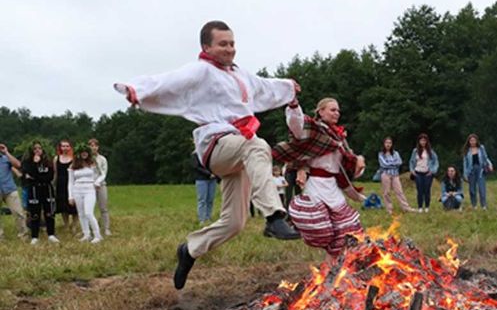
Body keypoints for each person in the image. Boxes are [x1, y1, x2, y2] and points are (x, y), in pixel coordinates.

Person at [114, 20, 300, 290]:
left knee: (234, 223)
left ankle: (189, 250)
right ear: (206, 47)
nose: (229, 49)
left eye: (232, 43)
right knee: (258, 145)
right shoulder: (201, 71)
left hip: (239, 149)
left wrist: (288, 88)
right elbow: (170, 80)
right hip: (217, 144)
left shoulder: (240, 74)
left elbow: (265, 88)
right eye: (222, 44)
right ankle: (273, 217)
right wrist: (136, 89)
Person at [273, 97, 366, 257]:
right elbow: (296, 125)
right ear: (321, 111)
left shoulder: (339, 137)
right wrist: (294, 105)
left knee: (346, 231)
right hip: (316, 185)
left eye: (338, 110)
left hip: (333, 187)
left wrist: (358, 162)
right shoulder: (314, 129)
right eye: (332, 109)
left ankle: (337, 269)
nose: (337, 113)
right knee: (322, 230)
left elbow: (344, 167)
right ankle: (295, 213)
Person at [22, 141, 59, 245]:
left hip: (47, 189)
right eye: (35, 148)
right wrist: (35, 164)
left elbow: (50, 176)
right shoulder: (28, 162)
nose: (37, 150)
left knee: (49, 212)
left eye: (39, 148)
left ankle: (51, 234)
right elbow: (28, 174)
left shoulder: (48, 162)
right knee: (34, 213)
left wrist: (36, 177)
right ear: (32, 151)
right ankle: (34, 236)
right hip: (34, 189)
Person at [68, 144, 102, 243]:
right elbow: (70, 182)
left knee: (88, 213)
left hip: (89, 189)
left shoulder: (92, 164)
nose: (84, 154)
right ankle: (86, 234)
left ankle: (97, 235)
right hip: (77, 189)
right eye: (82, 152)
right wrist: (70, 196)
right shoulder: (73, 166)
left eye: (86, 152)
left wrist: (97, 182)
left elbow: (100, 175)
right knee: (81, 213)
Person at [378, 137, 415, 214]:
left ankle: (406, 208)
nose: (388, 144)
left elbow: (399, 162)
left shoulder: (395, 153)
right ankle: (389, 209)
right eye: (386, 143)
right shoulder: (381, 154)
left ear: (392, 144)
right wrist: (394, 164)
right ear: (384, 144)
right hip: (386, 175)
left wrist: (391, 164)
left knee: (399, 191)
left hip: (395, 175)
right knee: (386, 192)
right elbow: (384, 164)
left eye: (390, 143)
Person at [0, 143, 29, 241]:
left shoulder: (5, 158)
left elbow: (18, 164)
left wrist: (6, 152)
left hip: (9, 189)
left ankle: (23, 235)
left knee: (19, 213)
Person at [409, 133, 439, 213]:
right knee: (419, 190)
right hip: (418, 172)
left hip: (427, 173)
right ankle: (420, 207)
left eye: (424, 140)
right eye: (421, 140)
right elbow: (411, 162)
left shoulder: (431, 151)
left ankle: (427, 207)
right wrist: (412, 171)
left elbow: (436, 162)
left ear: (427, 141)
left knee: (427, 190)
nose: (423, 142)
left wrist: (432, 171)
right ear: (419, 141)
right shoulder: (415, 151)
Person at [462, 134, 493, 210]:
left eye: (474, 140)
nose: (472, 142)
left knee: (482, 189)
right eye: (471, 140)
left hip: (480, 170)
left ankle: (483, 206)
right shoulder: (467, 151)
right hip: (471, 171)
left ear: (476, 141)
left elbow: (485, 157)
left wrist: (490, 165)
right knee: (472, 189)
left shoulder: (481, 148)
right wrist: (465, 174)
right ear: (468, 141)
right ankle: (474, 205)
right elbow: (465, 163)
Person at [53, 139, 78, 232]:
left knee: (75, 206)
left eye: (67, 146)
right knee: (63, 205)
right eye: (63, 146)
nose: (65, 148)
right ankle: (66, 225)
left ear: (70, 147)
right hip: (61, 184)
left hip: (72, 183)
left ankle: (74, 225)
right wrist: (54, 185)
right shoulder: (56, 158)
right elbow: (55, 173)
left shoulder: (75, 158)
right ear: (60, 147)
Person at [88, 139, 111, 236]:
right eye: (91, 146)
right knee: (89, 209)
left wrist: (97, 183)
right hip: (88, 186)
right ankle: (90, 229)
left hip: (101, 185)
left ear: (98, 147)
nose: (93, 147)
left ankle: (106, 228)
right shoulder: (85, 159)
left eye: (95, 146)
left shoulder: (102, 159)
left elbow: (104, 173)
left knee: (103, 207)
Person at [193, 151, 217, 224]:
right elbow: (196, 167)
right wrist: (208, 174)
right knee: (202, 200)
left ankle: (208, 217)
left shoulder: (211, 154)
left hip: (212, 179)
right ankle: (202, 219)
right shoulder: (196, 154)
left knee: (210, 199)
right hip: (201, 179)